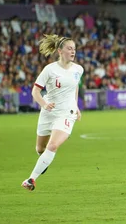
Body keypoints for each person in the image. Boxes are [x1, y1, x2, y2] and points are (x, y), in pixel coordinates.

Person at [22, 35, 84, 191]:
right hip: (48, 112)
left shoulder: (78, 69)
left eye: (74, 49)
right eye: (69, 48)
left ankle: (31, 179)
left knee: (53, 145)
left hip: (66, 113)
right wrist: (44, 104)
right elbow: (35, 91)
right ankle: (44, 161)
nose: (73, 52)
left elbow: (75, 86)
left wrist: (75, 106)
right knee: (40, 149)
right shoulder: (49, 70)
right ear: (60, 51)